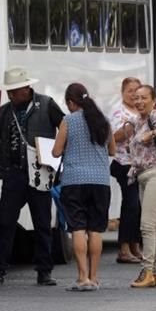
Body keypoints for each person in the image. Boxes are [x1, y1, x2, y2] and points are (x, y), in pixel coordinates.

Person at [0, 66, 64, 286]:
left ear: (26, 88)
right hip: (14, 173)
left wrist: (55, 154)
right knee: (4, 223)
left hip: (40, 172)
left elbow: (64, 127)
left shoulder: (46, 104)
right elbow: (2, 141)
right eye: (9, 91)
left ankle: (44, 271)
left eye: (14, 91)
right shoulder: (5, 111)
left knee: (42, 223)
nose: (10, 95)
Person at [52, 83, 115, 291]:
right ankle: (94, 277)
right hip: (100, 181)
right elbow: (112, 150)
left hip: (74, 181)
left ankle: (82, 277)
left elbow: (56, 151)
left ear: (71, 102)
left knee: (77, 228)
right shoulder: (103, 120)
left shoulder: (68, 121)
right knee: (95, 229)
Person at [121, 85, 156, 288]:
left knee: (146, 225)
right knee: (153, 226)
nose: (139, 101)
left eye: (144, 98)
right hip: (142, 175)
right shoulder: (136, 121)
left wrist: (152, 134)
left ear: (154, 101)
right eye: (136, 98)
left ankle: (147, 271)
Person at [110, 78, 145, 264]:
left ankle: (135, 245)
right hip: (124, 163)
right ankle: (124, 248)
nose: (133, 95)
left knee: (138, 206)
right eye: (130, 91)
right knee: (131, 204)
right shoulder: (119, 111)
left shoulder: (142, 111)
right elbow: (113, 137)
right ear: (123, 92)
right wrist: (130, 128)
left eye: (136, 91)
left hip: (141, 164)